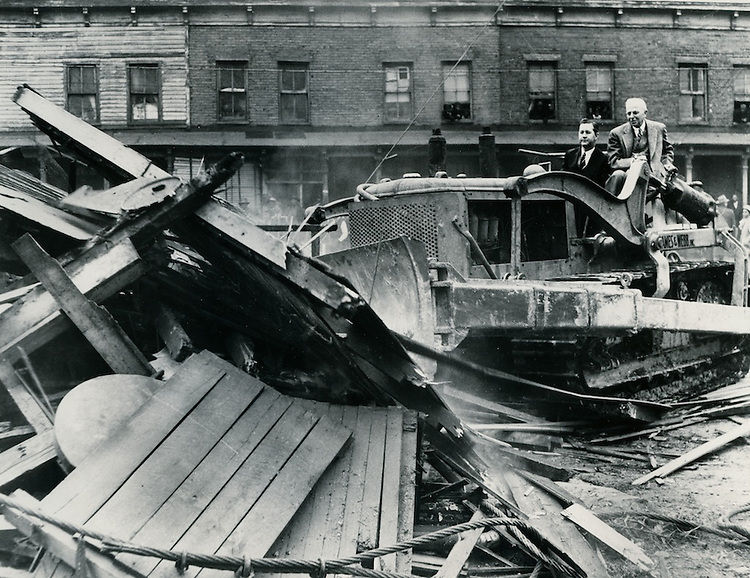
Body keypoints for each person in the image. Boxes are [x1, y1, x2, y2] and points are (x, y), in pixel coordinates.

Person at [605, 97, 676, 195]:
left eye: (635, 113)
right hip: (629, 178)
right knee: (618, 176)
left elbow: (667, 152)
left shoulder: (659, 128)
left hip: (655, 177)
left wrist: (667, 165)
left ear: (645, 113)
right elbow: (613, 161)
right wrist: (633, 161)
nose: (631, 116)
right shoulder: (616, 133)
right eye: (628, 113)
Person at [562, 118, 610, 188]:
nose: (584, 136)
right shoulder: (570, 155)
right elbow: (562, 178)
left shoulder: (602, 159)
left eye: (587, 132)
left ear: (596, 136)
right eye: (581, 132)